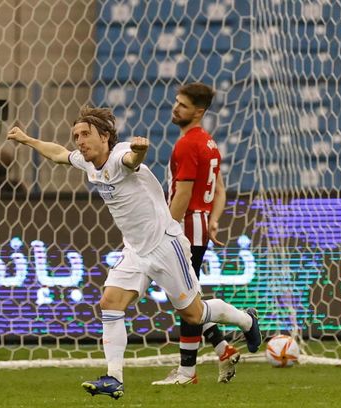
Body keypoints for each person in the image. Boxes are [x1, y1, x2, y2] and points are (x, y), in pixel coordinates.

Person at [6, 106, 261, 400]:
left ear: (105, 136)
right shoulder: (88, 163)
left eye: (85, 134)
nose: (79, 141)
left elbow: (131, 161)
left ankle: (246, 320)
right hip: (135, 250)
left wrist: (139, 151)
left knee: (194, 314)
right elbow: (58, 154)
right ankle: (114, 378)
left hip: (165, 245)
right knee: (110, 302)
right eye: (76, 136)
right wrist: (27, 139)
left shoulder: (120, 155)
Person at [152, 82, 239, 386]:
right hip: (199, 225)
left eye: (183, 105)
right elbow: (220, 190)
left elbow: (184, 194)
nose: (176, 108)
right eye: (176, 102)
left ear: (199, 112)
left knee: (185, 299)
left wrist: (166, 230)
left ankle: (187, 372)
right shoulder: (209, 143)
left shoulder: (188, 144)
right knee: (188, 298)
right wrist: (213, 220)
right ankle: (223, 348)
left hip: (186, 226)